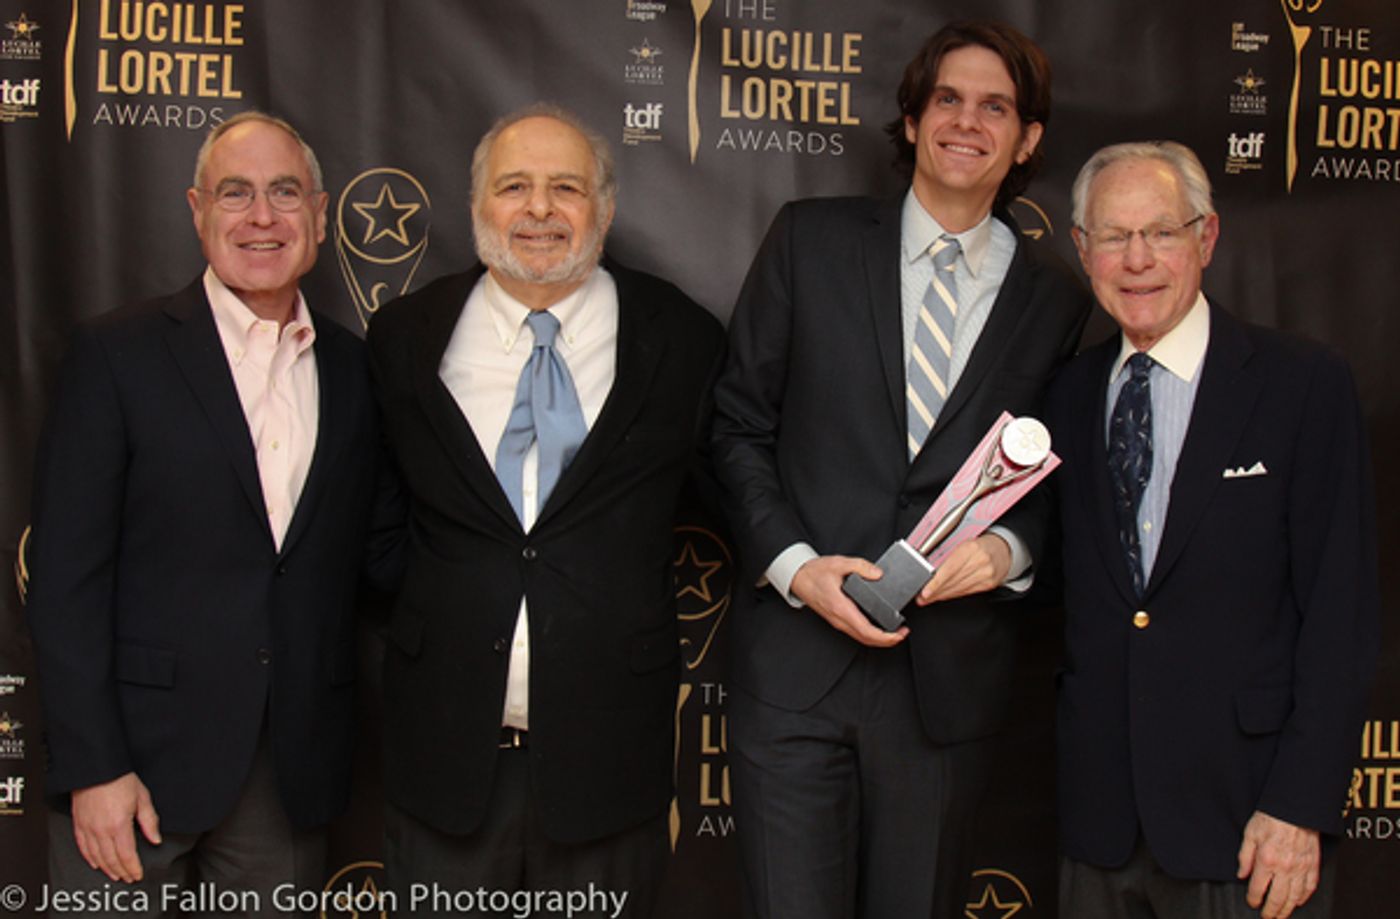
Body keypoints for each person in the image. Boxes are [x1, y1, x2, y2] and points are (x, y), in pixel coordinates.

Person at [710, 20, 1092, 919]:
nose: (968, 121)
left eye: (995, 106)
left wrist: (1007, 551)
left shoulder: (1057, 303)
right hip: (796, 669)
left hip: (945, 691)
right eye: (948, 99)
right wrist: (797, 568)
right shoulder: (810, 240)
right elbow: (731, 427)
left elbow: (1051, 477)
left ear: (1027, 138)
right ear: (913, 120)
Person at [367, 103, 725, 917]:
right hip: (445, 757)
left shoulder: (681, 336)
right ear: (476, 207)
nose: (538, 210)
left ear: (604, 208)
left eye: (566, 187)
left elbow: (737, 485)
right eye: (514, 186)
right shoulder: (406, 336)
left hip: (609, 759)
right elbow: (376, 520)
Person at [26, 111, 387, 914]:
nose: (262, 216)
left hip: (286, 775)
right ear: (197, 211)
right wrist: (93, 765)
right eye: (236, 194)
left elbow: (368, 555)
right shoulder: (116, 355)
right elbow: (63, 579)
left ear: (321, 216)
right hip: (132, 768)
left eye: (284, 193)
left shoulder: (356, 368)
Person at [1047, 140, 1378, 919]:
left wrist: (1300, 806)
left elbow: (1343, 612)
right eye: (1114, 237)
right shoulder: (1063, 395)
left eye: (1161, 232)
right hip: (1099, 826)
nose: (1138, 260)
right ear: (1082, 250)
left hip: (1251, 828)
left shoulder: (1303, 385)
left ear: (1206, 238)